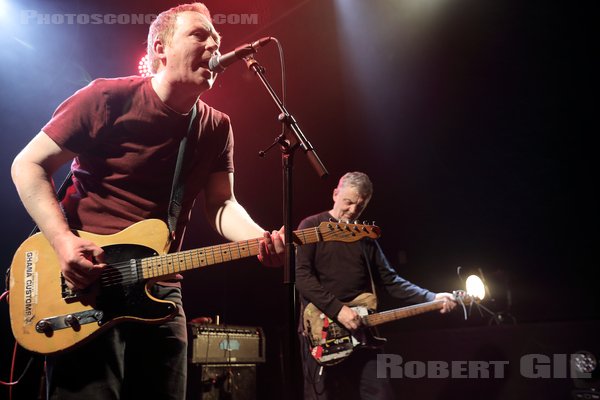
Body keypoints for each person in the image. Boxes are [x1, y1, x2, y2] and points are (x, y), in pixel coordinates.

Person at [10, 3, 284, 399]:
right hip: (86, 277)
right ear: (160, 47)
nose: (213, 44)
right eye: (199, 35)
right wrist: (63, 242)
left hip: (160, 284)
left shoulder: (216, 127)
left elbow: (222, 205)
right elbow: (28, 165)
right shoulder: (106, 97)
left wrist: (259, 237)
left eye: (217, 39)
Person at [296, 171, 457, 400]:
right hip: (320, 330)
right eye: (348, 202)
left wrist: (431, 297)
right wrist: (338, 310)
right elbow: (302, 277)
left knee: (380, 394)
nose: (352, 211)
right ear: (335, 194)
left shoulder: (364, 236)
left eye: (359, 207)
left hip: (362, 330)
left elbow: (390, 281)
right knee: (322, 396)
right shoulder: (311, 226)